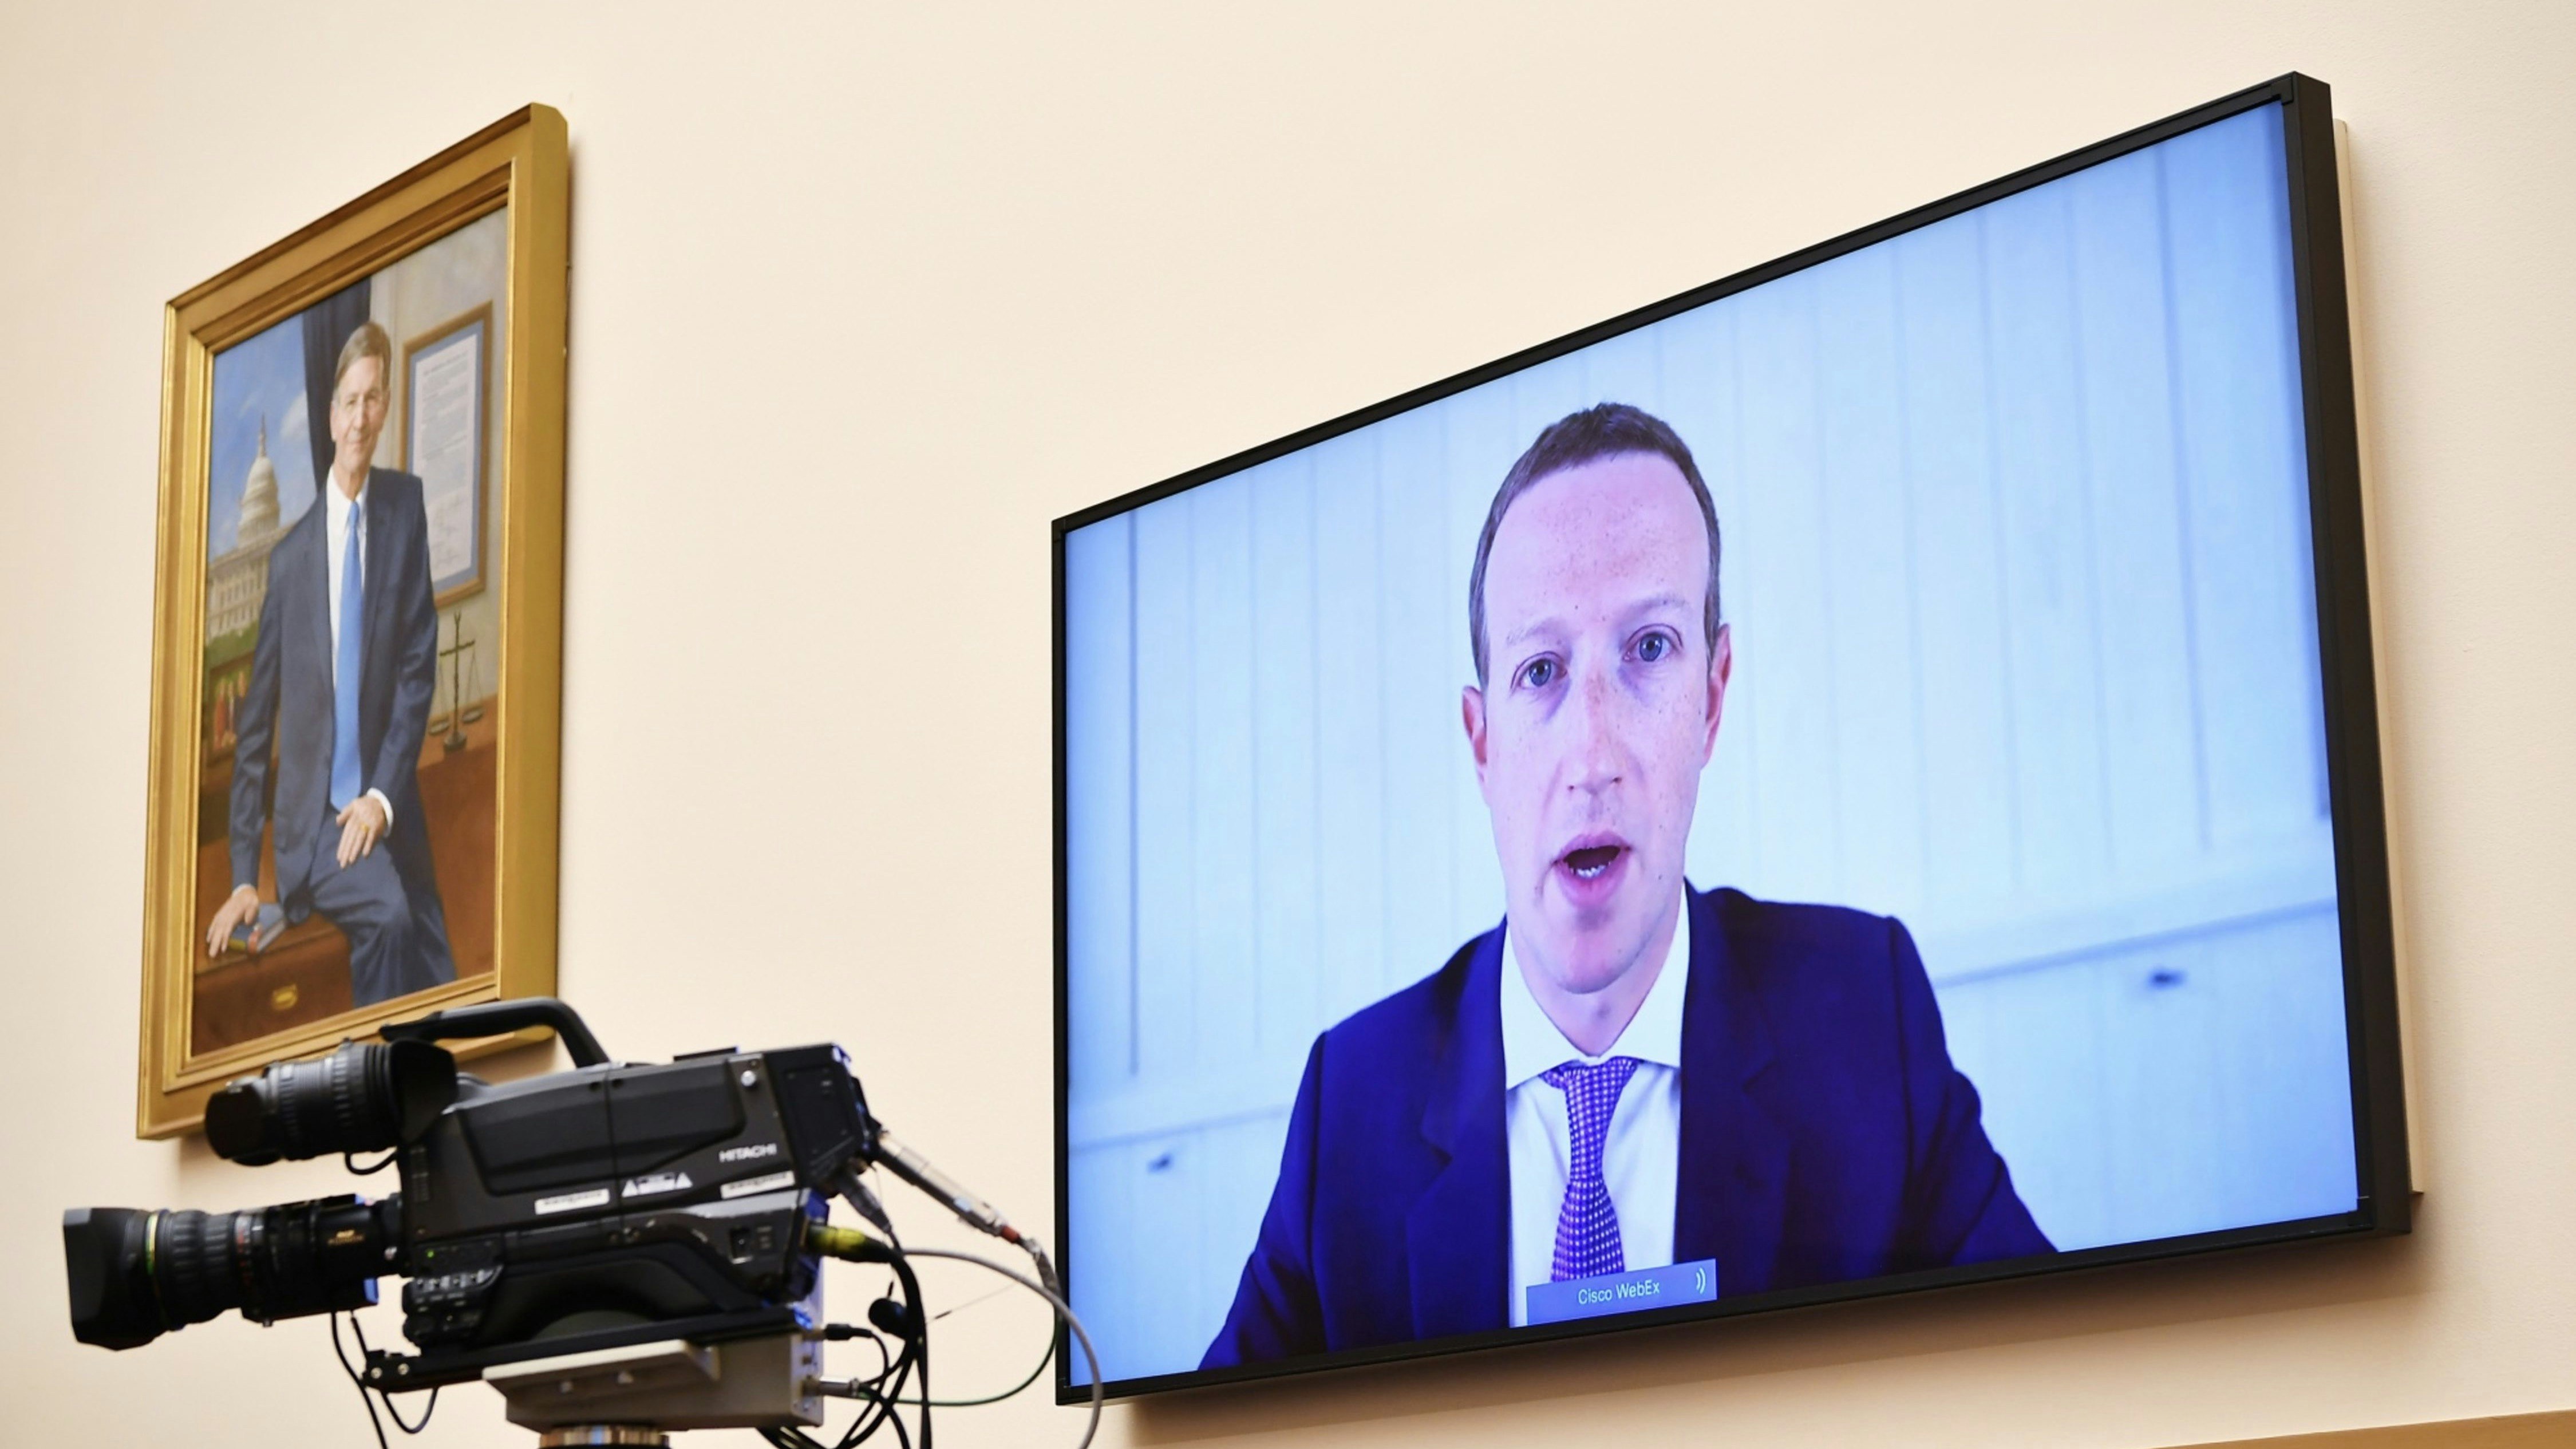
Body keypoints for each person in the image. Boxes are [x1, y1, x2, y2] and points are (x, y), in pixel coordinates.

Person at [1202, 403, 2050, 1367]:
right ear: (1482, 745)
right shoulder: (1351, 1108)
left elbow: (2047, 1381)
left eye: (1648, 650)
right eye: (1541, 670)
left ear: (1714, 697)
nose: (1593, 754)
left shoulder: (1865, 1017)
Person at [204, 321, 456, 1007]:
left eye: (374, 399)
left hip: (383, 803)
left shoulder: (405, 509)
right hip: (314, 825)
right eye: (349, 401)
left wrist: (379, 796)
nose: (361, 418)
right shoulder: (289, 564)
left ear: (386, 406)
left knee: (444, 966)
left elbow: (415, 668)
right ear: (331, 411)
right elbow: (254, 732)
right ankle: (373, 1074)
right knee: (393, 918)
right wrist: (242, 879)